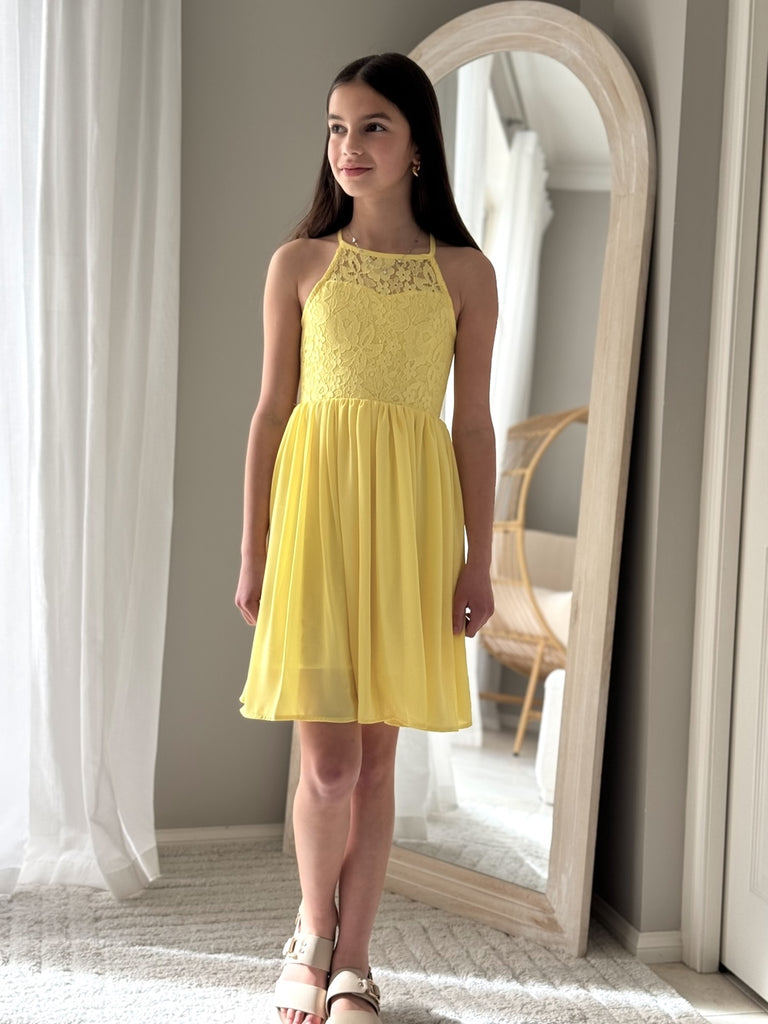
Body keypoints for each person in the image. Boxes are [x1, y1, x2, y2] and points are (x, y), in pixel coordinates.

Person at [235, 52, 497, 1024]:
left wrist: (482, 557)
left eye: (373, 126)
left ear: (418, 143)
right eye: (337, 128)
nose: (349, 146)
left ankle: (356, 961)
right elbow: (270, 415)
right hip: (317, 519)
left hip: (413, 526)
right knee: (329, 765)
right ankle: (309, 932)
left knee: (379, 764)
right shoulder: (300, 264)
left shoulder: (464, 274)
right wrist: (254, 550)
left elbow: (472, 425)